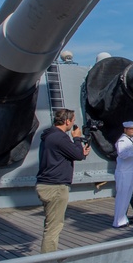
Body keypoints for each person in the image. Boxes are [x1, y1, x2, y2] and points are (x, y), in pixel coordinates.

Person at [36, 108, 90, 253]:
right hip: (56, 187)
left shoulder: (49, 136)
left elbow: (69, 154)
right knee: (54, 227)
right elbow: (77, 155)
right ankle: (48, 261)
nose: (73, 124)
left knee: (50, 223)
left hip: (46, 184)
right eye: (72, 121)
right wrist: (77, 138)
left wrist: (80, 152)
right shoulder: (60, 138)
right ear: (67, 121)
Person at [112, 120, 133, 228]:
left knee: (127, 197)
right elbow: (122, 154)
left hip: (132, 170)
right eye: (130, 129)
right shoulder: (122, 141)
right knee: (122, 197)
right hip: (124, 172)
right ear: (125, 130)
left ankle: (123, 218)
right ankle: (117, 221)